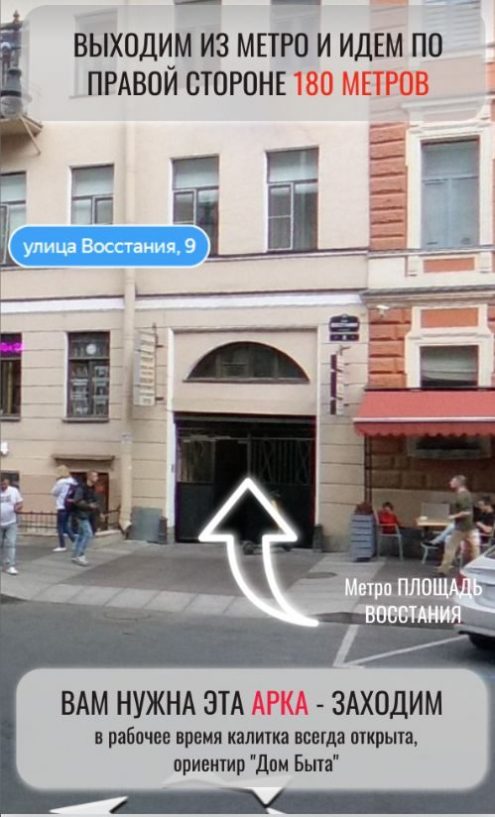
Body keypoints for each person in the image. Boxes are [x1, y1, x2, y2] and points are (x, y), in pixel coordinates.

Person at [437, 475, 479, 576]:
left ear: (458, 483)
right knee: (474, 549)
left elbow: (467, 512)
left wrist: (453, 516)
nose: (450, 483)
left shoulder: (462, 496)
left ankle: (443, 570)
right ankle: (477, 569)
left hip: (462, 527)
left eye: (452, 481)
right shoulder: (465, 494)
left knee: (450, 548)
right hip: (469, 526)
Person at [71, 471, 100, 566]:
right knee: (88, 534)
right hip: (81, 514)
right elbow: (77, 501)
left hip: (87, 514)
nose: (97, 478)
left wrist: (98, 510)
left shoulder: (92, 488)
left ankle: (75, 555)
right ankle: (80, 555)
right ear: (89, 477)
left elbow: (94, 501)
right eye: (95, 476)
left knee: (81, 535)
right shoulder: (82, 488)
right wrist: (89, 506)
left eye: (97, 476)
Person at [51, 465, 77, 552]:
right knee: (66, 525)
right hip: (69, 505)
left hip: (61, 505)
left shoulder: (61, 482)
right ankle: (75, 542)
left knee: (60, 526)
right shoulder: (73, 481)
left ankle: (62, 545)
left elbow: (54, 492)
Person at [1, 475, 23, 575]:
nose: (3, 486)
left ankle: (11, 566)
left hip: (11, 521)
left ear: (8, 483)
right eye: (1, 484)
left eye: (5, 484)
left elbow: (20, 502)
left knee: (11, 543)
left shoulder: (14, 491)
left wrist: (17, 508)